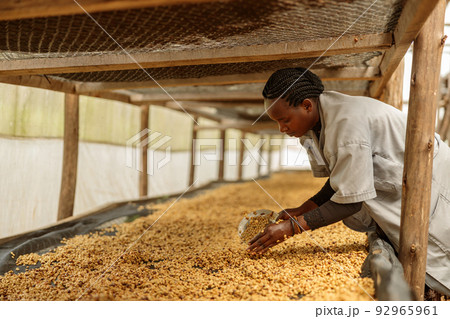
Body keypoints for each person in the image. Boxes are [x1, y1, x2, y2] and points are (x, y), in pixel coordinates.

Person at [247, 67, 450, 296]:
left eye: (284, 120)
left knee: (439, 256)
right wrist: (303, 209)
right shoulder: (315, 124)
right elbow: (340, 178)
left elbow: (350, 202)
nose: (282, 129)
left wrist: (291, 228)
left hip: (435, 186)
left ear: (306, 105)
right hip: (405, 190)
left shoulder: (347, 123)